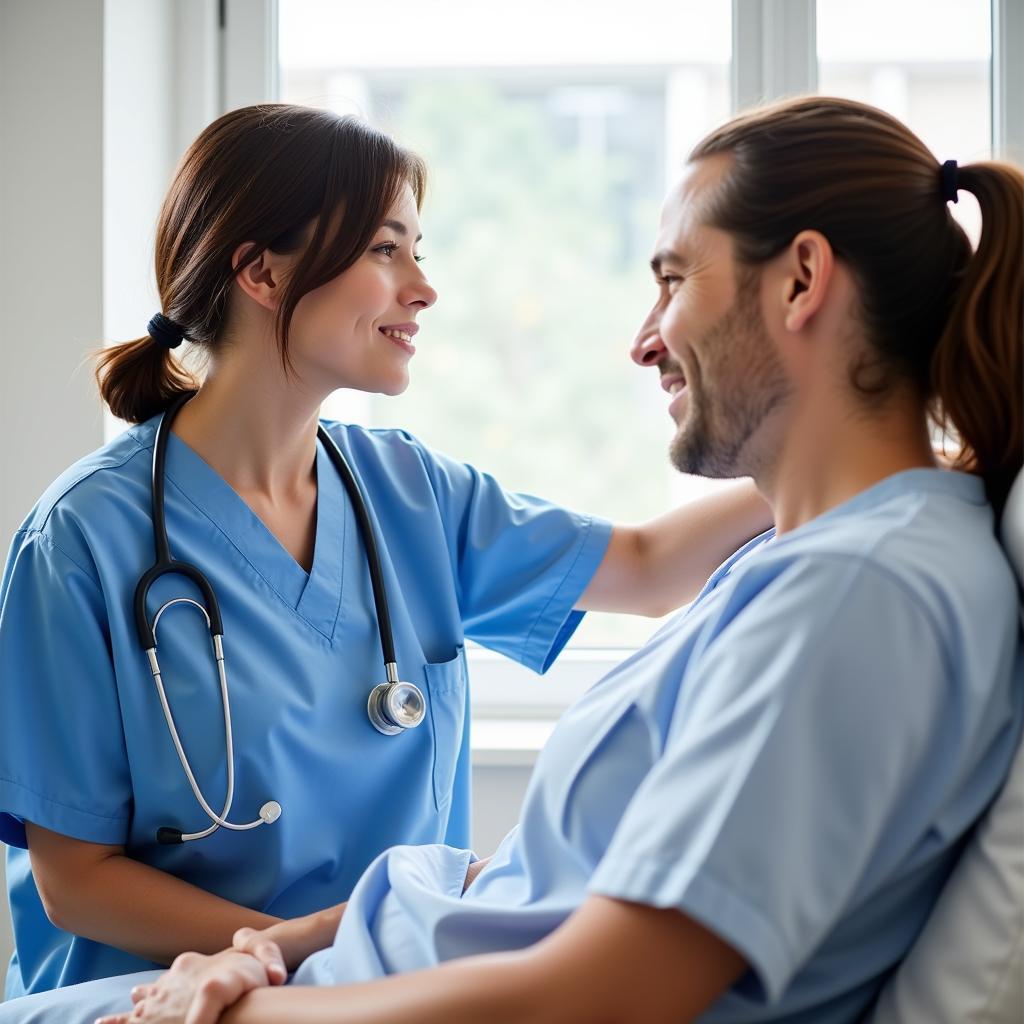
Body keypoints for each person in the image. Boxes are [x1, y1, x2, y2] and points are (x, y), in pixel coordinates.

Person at [4, 93, 1023, 1024]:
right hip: (214, 969)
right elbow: (75, 877)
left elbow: (640, 562)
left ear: (804, 280)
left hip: (338, 983)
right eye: (386, 249)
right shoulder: (87, 540)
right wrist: (260, 953)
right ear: (261, 272)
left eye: (672, 278)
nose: (426, 286)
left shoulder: (409, 493)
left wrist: (901, 455)